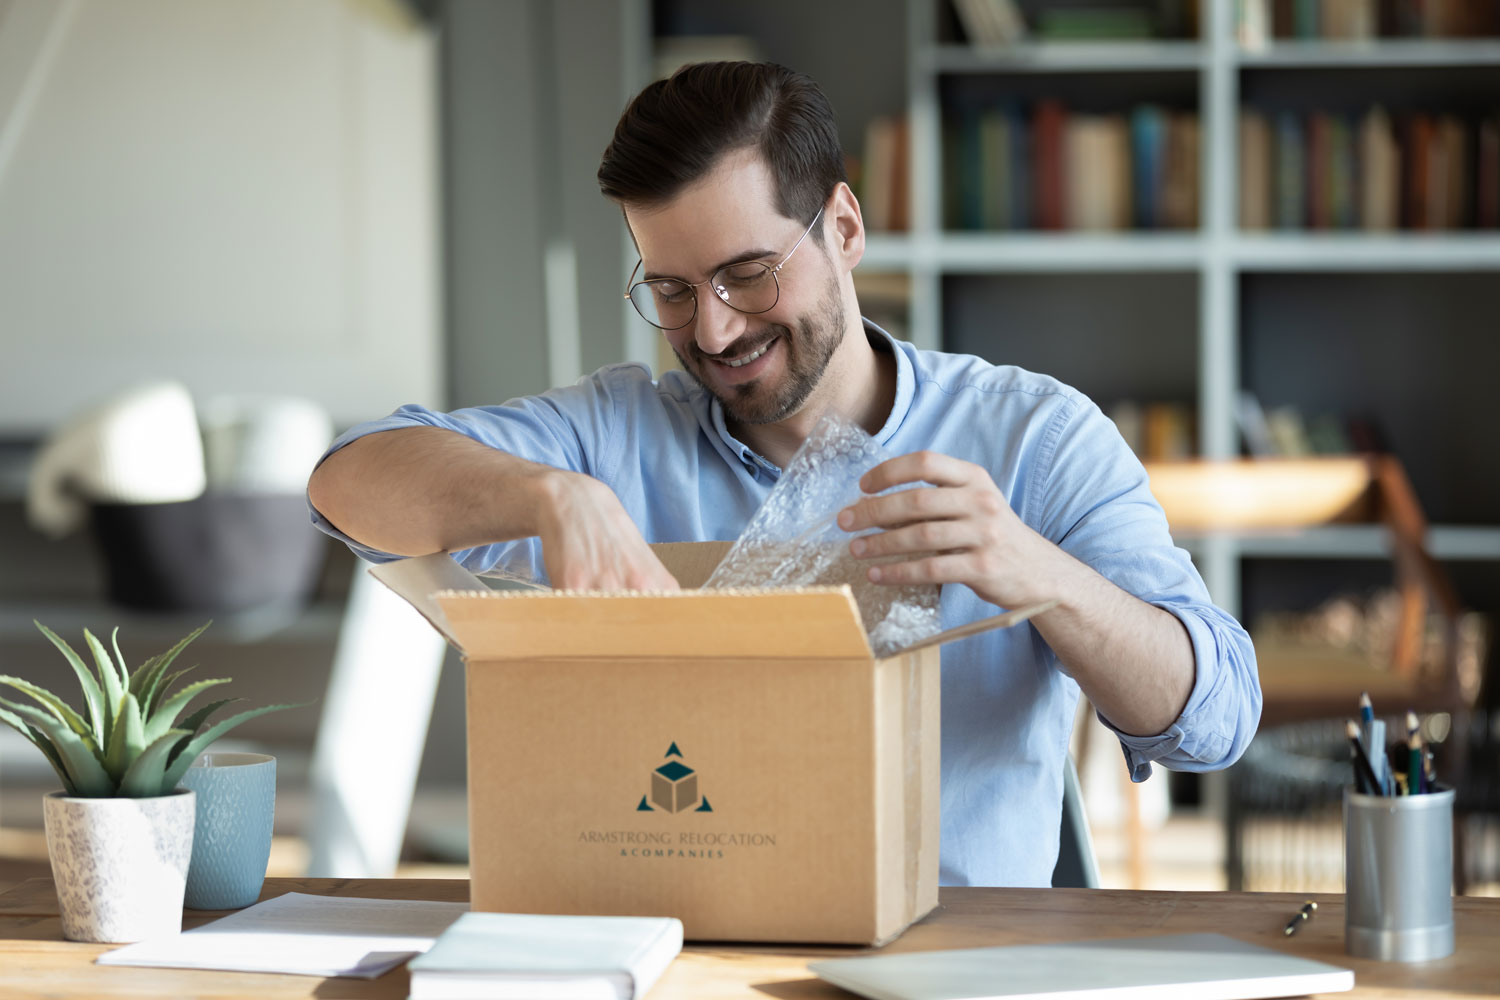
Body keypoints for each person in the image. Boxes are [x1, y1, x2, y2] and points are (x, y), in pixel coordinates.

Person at [307, 61, 1260, 887]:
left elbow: (1213, 721)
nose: (714, 330)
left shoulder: (1034, 439)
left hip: (955, 958)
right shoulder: (613, 435)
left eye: (749, 273)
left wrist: (1037, 573)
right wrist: (548, 494)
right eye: (672, 291)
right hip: (679, 955)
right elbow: (346, 482)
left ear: (843, 227)